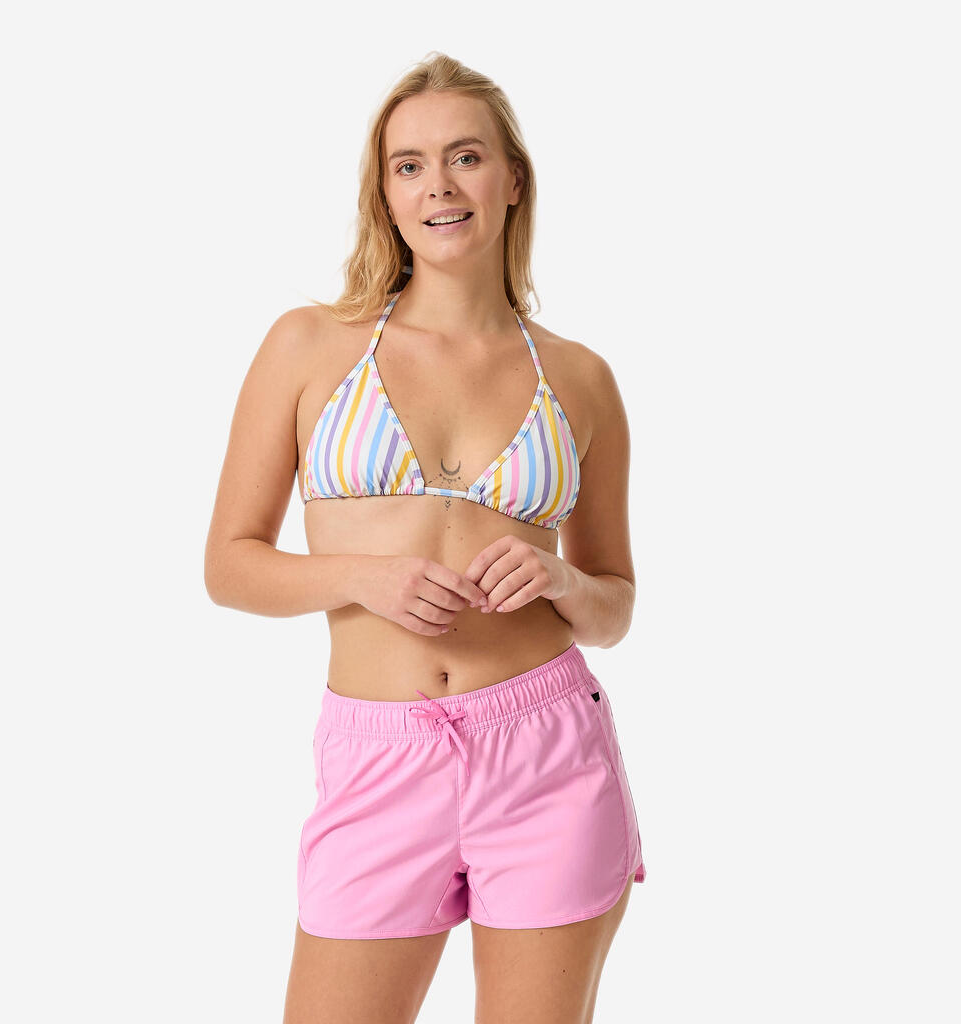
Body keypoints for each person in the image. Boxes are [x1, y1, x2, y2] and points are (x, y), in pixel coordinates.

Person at [204, 51, 646, 1024]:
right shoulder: (309, 344)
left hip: (548, 756)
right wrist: (359, 577)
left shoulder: (580, 378)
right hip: (378, 758)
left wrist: (561, 582)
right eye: (409, 165)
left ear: (511, 179)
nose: (438, 185)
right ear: (385, 192)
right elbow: (229, 565)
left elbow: (614, 602)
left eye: (464, 157)